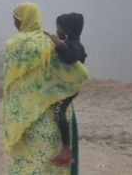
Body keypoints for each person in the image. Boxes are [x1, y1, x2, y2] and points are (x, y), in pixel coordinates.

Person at [1, 2, 89, 175]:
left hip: (33, 107)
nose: (14, 23)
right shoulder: (48, 43)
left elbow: (73, 64)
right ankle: (65, 148)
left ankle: (65, 148)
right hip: (54, 98)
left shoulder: (18, 43)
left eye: (16, 19)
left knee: (32, 157)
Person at [45, 13, 88, 167]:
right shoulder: (69, 42)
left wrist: (58, 43)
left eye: (60, 28)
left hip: (72, 87)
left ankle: (65, 149)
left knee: (59, 110)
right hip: (65, 86)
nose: (57, 31)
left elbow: (70, 57)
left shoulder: (76, 45)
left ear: (68, 29)